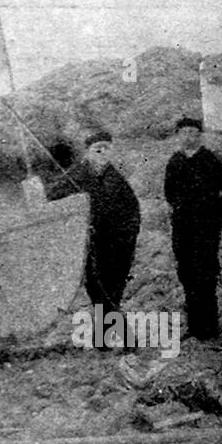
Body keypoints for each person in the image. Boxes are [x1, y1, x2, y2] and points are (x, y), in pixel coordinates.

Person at [164, 117, 222, 341]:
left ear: (200, 136)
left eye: (194, 132)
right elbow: (169, 193)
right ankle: (195, 327)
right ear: (178, 136)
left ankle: (211, 327)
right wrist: (181, 209)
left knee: (205, 276)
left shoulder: (210, 160)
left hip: (206, 230)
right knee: (187, 275)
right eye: (184, 132)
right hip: (182, 229)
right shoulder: (175, 161)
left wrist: (212, 213)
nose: (189, 136)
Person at [75, 131, 141, 349]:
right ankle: (127, 339)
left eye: (106, 147)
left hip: (116, 245)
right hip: (89, 245)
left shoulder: (117, 179)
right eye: (97, 148)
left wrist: (126, 237)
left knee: (111, 290)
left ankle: (102, 341)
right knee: (97, 290)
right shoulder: (76, 177)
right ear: (88, 153)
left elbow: (133, 212)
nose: (102, 152)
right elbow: (56, 200)